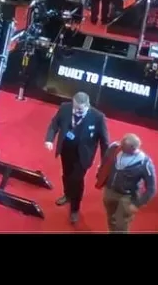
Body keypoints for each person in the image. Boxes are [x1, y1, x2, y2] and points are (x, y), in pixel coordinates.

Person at [44, 92, 110, 224]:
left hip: (83, 155)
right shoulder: (65, 108)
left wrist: (104, 161)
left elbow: (105, 142)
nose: (76, 111)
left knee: (76, 180)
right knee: (66, 175)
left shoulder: (98, 117)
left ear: (87, 106)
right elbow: (54, 124)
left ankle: (75, 209)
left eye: (80, 109)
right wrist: (49, 139)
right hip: (66, 150)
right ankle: (67, 195)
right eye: (75, 108)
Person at [95, 133, 158, 234]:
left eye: (124, 147)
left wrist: (137, 204)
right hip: (110, 191)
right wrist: (100, 175)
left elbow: (151, 188)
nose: (121, 148)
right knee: (111, 218)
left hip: (127, 197)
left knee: (121, 225)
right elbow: (105, 162)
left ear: (133, 148)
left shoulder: (144, 162)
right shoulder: (114, 148)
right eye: (122, 145)